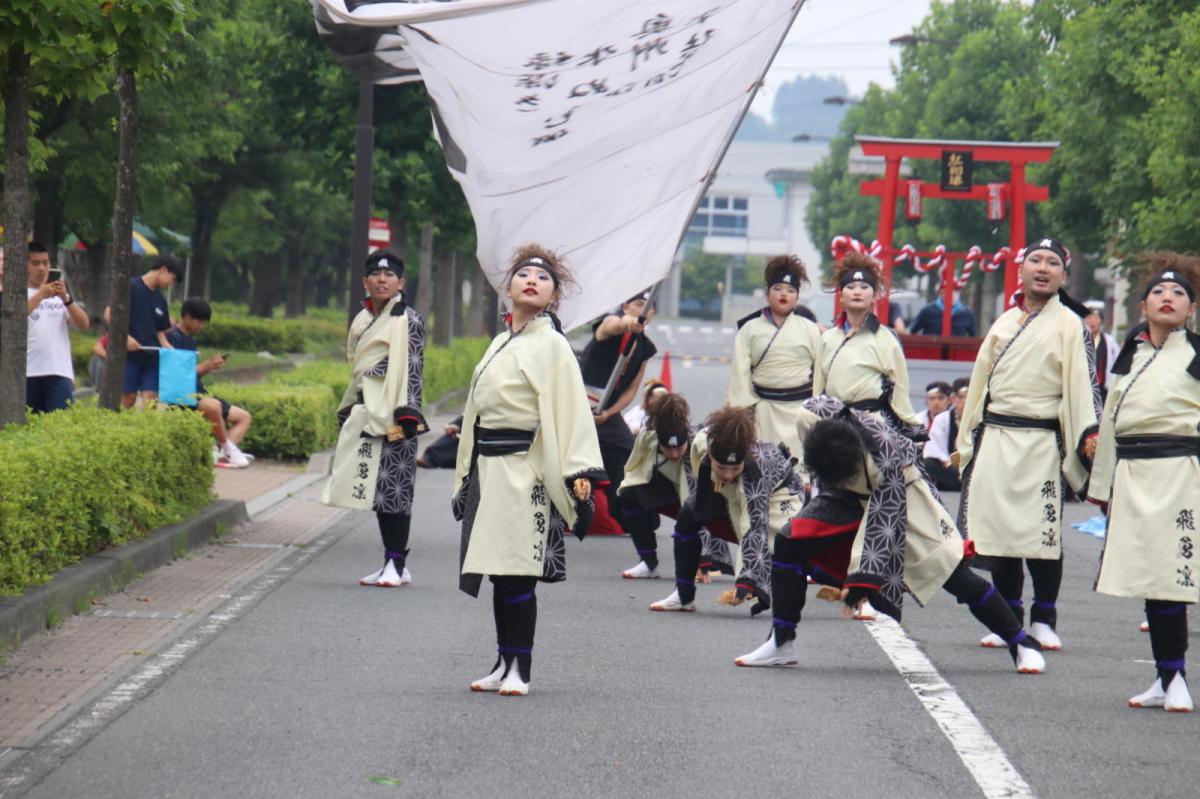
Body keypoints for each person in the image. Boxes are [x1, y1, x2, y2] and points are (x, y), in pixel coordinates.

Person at [733, 396, 1045, 675]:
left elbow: (883, 525)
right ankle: (781, 640)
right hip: (845, 494)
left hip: (904, 499)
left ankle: (1021, 641)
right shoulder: (810, 417)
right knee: (790, 541)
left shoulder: (884, 454)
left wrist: (860, 582)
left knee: (953, 574)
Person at [452, 246, 604, 697]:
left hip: (528, 468)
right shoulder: (500, 341)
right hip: (490, 468)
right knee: (498, 570)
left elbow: (571, 411)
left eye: (543, 277)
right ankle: (503, 660)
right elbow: (474, 413)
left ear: (554, 295)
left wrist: (579, 477)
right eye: (523, 274)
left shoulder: (553, 345)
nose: (532, 280)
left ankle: (522, 668)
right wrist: (465, 475)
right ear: (509, 287)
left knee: (519, 571)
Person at [956, 237, 1100, 651]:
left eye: (1052, 262)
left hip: (1041, 441)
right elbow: (980, 386)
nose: (1042, 267)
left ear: (1063, 276)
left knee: (1041, 533)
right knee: (1000, 534)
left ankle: (1045, 618)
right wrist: (968, 439)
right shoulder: (1004, 323)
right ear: (1021, 269)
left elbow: (1083, 385)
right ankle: (1009, 617)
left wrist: (1088, 435)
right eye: (1035, 259)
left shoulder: (1070, 325)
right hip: (998, 436)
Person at [1089, 253, 1200, 712]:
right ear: (1142, 306)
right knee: (1151, 577)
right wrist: (1102, 487)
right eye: (1158, 292)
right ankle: (1164, 674)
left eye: (1179, 294)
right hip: (1134, 474)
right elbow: (1112, 423)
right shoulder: (1131, 357)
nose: (1168, 298)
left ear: (1191, 310)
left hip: (1181, 472)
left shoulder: (1196, 354)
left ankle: (1176, 678)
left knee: (1175, 574)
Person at [321, 251, 427, 590]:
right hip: (367, 410)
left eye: (389, 275)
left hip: (397, 416)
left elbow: (412, 367)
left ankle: (396, 563)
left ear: (401, 283)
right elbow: (358, 370)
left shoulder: (408, 319)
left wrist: (408, 414)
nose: (382, 280)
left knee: (395, 492)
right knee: (378, 493)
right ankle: (392, 562)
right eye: (375, 275)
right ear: (365, 281)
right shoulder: (362, 320)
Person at [649, 405, 802, 615]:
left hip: (778, 497)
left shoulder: (756, 472)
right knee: (688, 514)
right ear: (711, 457)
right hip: (730, 494)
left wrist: (745, 583)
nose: (728, 474)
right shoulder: (702, 442)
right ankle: (683, 596)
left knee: (791, 550)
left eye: (734, 468)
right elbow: (698, 471)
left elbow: (754, 528)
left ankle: (856, 590)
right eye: (722, 467)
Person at [727, 255, 824, 485]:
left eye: (790, 290)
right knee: (762, 476)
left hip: (800, 414)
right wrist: (740, 417)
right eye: (777, 288)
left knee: (800, 481)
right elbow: (740, 376)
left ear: (797, 297)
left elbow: (821, 375)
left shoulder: (811, 330)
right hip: (764, 413)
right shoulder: (749, 330)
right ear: (768, 292)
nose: (783, 294)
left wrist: (817, 412)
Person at [579, 291, 659, 535]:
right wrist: (628, 323)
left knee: (628, 451)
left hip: (607, 412)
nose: (643, 311)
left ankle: (625, 514)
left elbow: (632, 389)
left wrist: (609, 413)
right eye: (637, 305)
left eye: (647, 307)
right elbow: (615, 324)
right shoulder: (609, 323)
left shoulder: (645, 347)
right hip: (579, 404)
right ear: (625, 306)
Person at [821, 252, 923, 441]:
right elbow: (817, 390)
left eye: (864, 287)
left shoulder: (887, 339)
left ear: (874, 295)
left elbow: (900, 388)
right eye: (850, 287)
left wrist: (910, 427)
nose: (857, 291)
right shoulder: (827, 339)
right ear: (841, 296)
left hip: (873, 420)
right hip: (833, 421)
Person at [165, 298, 255, 468]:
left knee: (244, 417)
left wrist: (209, 367)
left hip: (199, 392)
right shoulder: (172, 339)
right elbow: (178, 377)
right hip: (184, 396)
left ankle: (223, 454)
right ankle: (229, 450)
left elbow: (193, 374)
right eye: (199, 321)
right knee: (213, 406)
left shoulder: (190, 340)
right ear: (187, 316)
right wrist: (206, 365)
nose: (202, 326)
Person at [26, 241, 89, 412]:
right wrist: (40, 295)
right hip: (28, 371)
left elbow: (84, 324)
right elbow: (16, 317)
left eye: (45, 263)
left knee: (57, 423)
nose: (41, 268)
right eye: (35, 263)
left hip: (58, 370)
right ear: (25, 266)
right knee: (30, 424)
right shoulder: (20, 293)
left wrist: (66, 299)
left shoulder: (60, 296)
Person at [118, 255, 184, 408]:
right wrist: (125, 337)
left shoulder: (160, 300)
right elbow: (110, 314)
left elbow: (159, 330)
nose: (171, 284)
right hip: (129, 356)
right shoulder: (131, 287)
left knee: (151, 398)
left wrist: (166, 345)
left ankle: (146, 429)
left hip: (152, 357)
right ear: (163, 270)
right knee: (128, 398)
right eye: (172, 279)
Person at [923, 377, 969, 491]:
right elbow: (935, 448)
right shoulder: (943, 419)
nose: (965, 401)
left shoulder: (980, 420)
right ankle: (964, 484)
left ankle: (963, 483)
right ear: (953, 398)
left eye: (969, 397)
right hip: (949, 467)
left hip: (971, 467)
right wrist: (949, 465)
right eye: (962, 397)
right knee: (928, 464)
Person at [1084, 303, 1119, 402]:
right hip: (1083, 387)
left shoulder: (1110, 342)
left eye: (1096, 318)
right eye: (1089, 318)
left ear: (1101, 321)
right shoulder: (1078, 341)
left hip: (1102, 389)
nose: (1092, 322)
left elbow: (1117, 361)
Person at [908, 291, 979, 337]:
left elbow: (973, 337)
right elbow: (911, 331)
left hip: (956, 356)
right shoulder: (927, 311)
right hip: (930, 354)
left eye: (956, 289)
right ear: (941, 291)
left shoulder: (968, 313)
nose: (952, 291)